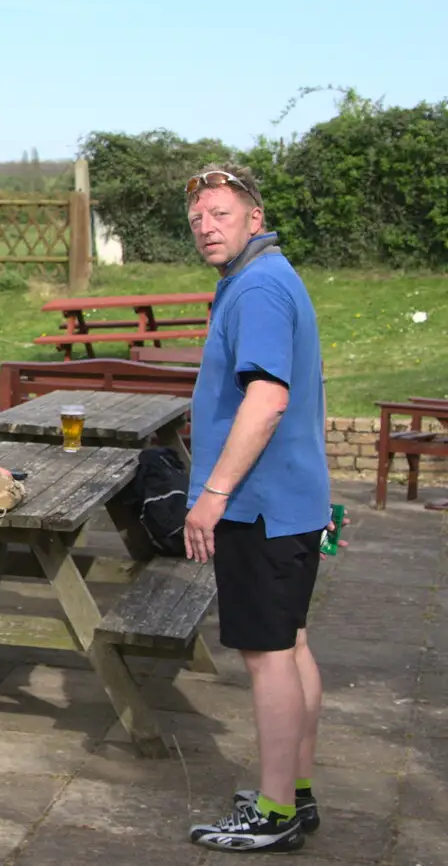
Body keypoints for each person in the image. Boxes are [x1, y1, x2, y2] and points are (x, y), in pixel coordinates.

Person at [180, 165, 335, 855]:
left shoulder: (260, 287)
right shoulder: (270, 277)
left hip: (258, 506)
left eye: (218, 214)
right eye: (197, 221)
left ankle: (274, 812)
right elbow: (314, 393)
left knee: (268, 656)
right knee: (291, 646)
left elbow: (268, 401)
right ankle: (293, 792)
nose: (206, 228)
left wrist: (212, 496)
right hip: (291, 501)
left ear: (252, 214)